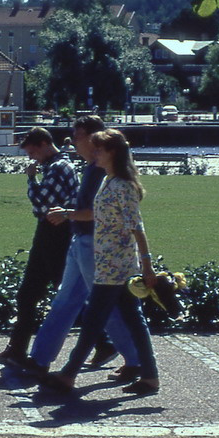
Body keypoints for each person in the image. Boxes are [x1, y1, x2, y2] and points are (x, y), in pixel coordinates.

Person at [43, 128, 160, 396]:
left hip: (114, 267)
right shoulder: (110, 181)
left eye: (99, 149)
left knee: (95, 319)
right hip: (110, 263)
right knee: (132, 320)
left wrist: (147, 264)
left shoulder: (122, 186)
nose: (94, 153)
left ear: (113, 153)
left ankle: (69, 374)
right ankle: (150, 376)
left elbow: (136, 227)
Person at [26, 116, 142, 380]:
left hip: (93, 245)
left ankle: (135, 360)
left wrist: (67, 214)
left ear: (93, 138)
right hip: (81, 242)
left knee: (103, 306)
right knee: (65, 301)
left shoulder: (102, 171)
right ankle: (40, 359)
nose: (72, 141)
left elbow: (97, 213)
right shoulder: (92, 168)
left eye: (77, 136)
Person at [0, 126, 76, 368]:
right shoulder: (58, 166)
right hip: (53, 234)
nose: (31, 158)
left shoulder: (57, 168)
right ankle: (16, 348)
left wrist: (30, 178)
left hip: (54, 235)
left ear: (45, 145)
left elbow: (41, 205)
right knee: (32, 294)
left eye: (32, 152)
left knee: (57, 294)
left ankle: (104, 341)